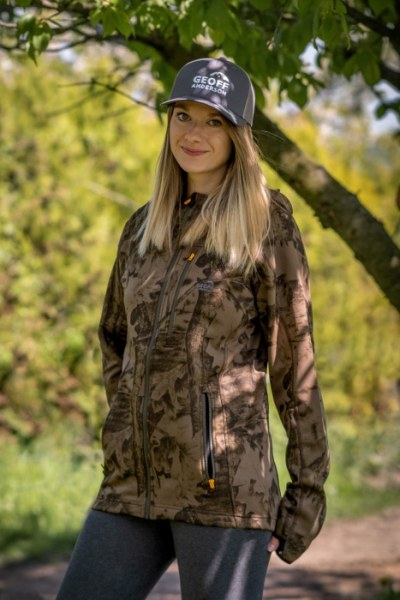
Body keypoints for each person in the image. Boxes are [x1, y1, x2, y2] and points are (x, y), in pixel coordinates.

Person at [56, 56, 329, 600]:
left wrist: (306, 494)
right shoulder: (142, 227)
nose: (193, 133)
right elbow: (115, 339)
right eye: (183, 115)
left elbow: (294, 363)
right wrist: (126, 425)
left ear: (238, 135)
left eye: (213, 121)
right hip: (132, 485)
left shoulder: (265, 223)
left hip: (222, 490)